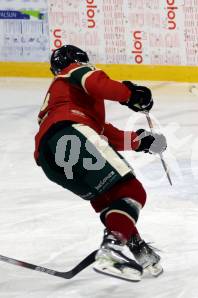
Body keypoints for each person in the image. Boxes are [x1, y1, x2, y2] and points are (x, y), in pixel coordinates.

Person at [34, 45, 166, 281]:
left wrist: (142, 141)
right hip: (71, 135)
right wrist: (130, 94)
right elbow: (96, 83)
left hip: (50, 158)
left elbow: (104, 133)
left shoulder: (65, 98)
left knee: (108, 199)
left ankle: (135, 245)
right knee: (132, 190)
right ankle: (111, 250)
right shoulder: (74, 72)